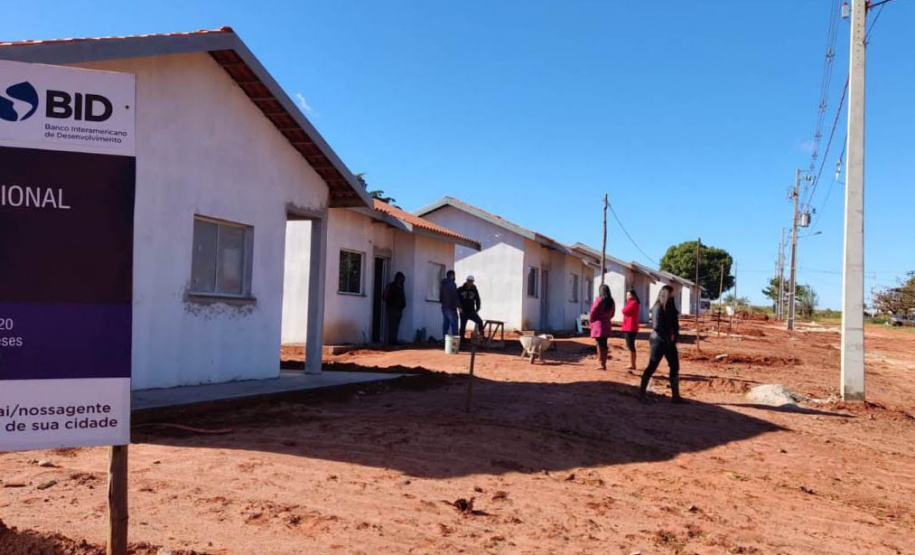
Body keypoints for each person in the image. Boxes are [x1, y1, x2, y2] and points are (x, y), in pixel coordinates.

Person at [639, 285, 685, 404]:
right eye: (671, 293)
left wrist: (674, 334)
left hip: (669, 342)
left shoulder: (670, 307)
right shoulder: (657, 307)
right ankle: (641, 394)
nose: (673, 296)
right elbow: (657, 326)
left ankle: (675, 396)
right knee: (652, 365)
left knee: (675, 365)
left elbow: (675, 324)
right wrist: (668, 337)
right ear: (666, 293)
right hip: (658, 340)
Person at [589, 284, 615, 370]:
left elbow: (593, 312)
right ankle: (603, 363)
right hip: (607, 324)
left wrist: (592, 321)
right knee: (604, 344)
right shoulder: (611, 301)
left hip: (598, 325)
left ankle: (601, 363)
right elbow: (612, 314)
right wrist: (607, 318)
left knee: (599, 344)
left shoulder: (598, 300)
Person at [458, 275, 484, 343]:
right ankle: (462, 340)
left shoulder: (474, 290)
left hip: (471, 311)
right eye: (469, 281)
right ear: (466, 281)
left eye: (471, 282)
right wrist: (459, 307)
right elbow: (457, 299)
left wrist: (478, 307)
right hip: (463, 312)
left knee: (480, 322)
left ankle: (481, 338)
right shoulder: (460, 289)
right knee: (462, 326)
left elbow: (477, 299)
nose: (470, 283)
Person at [383, 272, 406, 345]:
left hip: (398, 309)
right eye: (401, 279)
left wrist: (403, 306)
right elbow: (387, 297)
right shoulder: (392, 286)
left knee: (396, 325)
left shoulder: (401, 286)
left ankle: (394, 340)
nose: (402, 281)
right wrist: (391, 305)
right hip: (392, 308)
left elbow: (402, 297)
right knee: (392, 325)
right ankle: (392, 341)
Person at [620, 289, 641, 370]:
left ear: (633, 296)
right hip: (631, 326)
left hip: (630, 327)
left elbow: (624, 311)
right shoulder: (633, 303)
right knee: (630, 345)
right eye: (627, 295)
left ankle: (632, 364)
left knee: (630, 345)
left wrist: (624, 307)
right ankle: (631, 363)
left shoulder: (633, 303)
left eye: (629, 295)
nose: (627, 297)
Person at [439, 270, 460, 340]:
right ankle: (455, 342)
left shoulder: (443, 284)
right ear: (452, 275)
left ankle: (445, 340)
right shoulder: (452, 284)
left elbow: (440, 297)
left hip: (444, 307)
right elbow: (455, 296)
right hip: (451, 307)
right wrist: (459, 306)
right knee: (454, 325)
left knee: (446, 324)